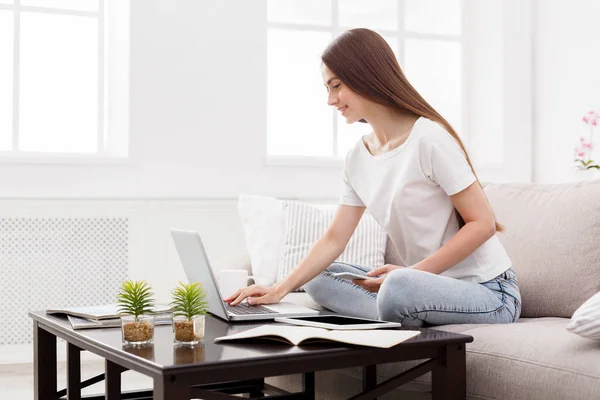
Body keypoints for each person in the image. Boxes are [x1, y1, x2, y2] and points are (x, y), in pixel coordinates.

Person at [225, 28, 521, 327]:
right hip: (423, 286)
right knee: (319, 278)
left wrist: (412, 274)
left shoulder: (428, 139)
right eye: (327, 88)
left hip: (489, 292)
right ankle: (400, 313)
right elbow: (334, 238)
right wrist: (279, 288)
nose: (331, 99)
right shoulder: (358, 157)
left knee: (398, 288)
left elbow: (482, 224)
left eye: (336, 85)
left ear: (365, 75)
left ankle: (398, 309)